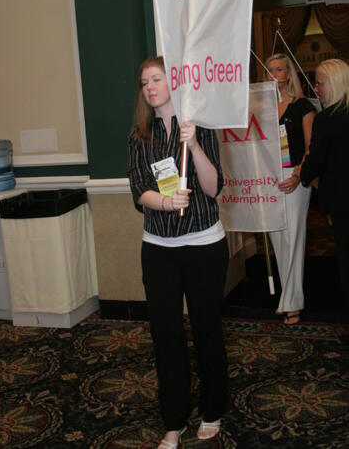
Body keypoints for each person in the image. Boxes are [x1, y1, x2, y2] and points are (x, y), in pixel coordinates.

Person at [127, 56, 229, 448]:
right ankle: (174, 419)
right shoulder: (140, 134)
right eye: (144, 82)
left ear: (175, 82)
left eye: (157, 78)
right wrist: (167, 203)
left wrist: (195, 146)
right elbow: (140, 190)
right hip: (159, 249)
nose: (150, 87)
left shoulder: (199, 126)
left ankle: (213, 410)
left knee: (206, 330)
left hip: (204, 245)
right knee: (165, 335)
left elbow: (213, 186)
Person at [265, 53, 316, 325]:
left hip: (296, 176)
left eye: (279, 69)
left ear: (288, 73)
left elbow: (311, 148)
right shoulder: (261, 109)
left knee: (294, 236)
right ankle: (288, 295)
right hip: (270, 178)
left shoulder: (303, 106)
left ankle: (293, 302)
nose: (275, 75)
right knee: (278, 239)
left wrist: (297, 175)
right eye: (270, 71)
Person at [299, 59, 349, 325]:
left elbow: (315, 160)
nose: (315, 88)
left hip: (342, 205)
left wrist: (301, 177)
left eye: (319, 83)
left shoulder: (326, 119)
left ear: (332, 84)